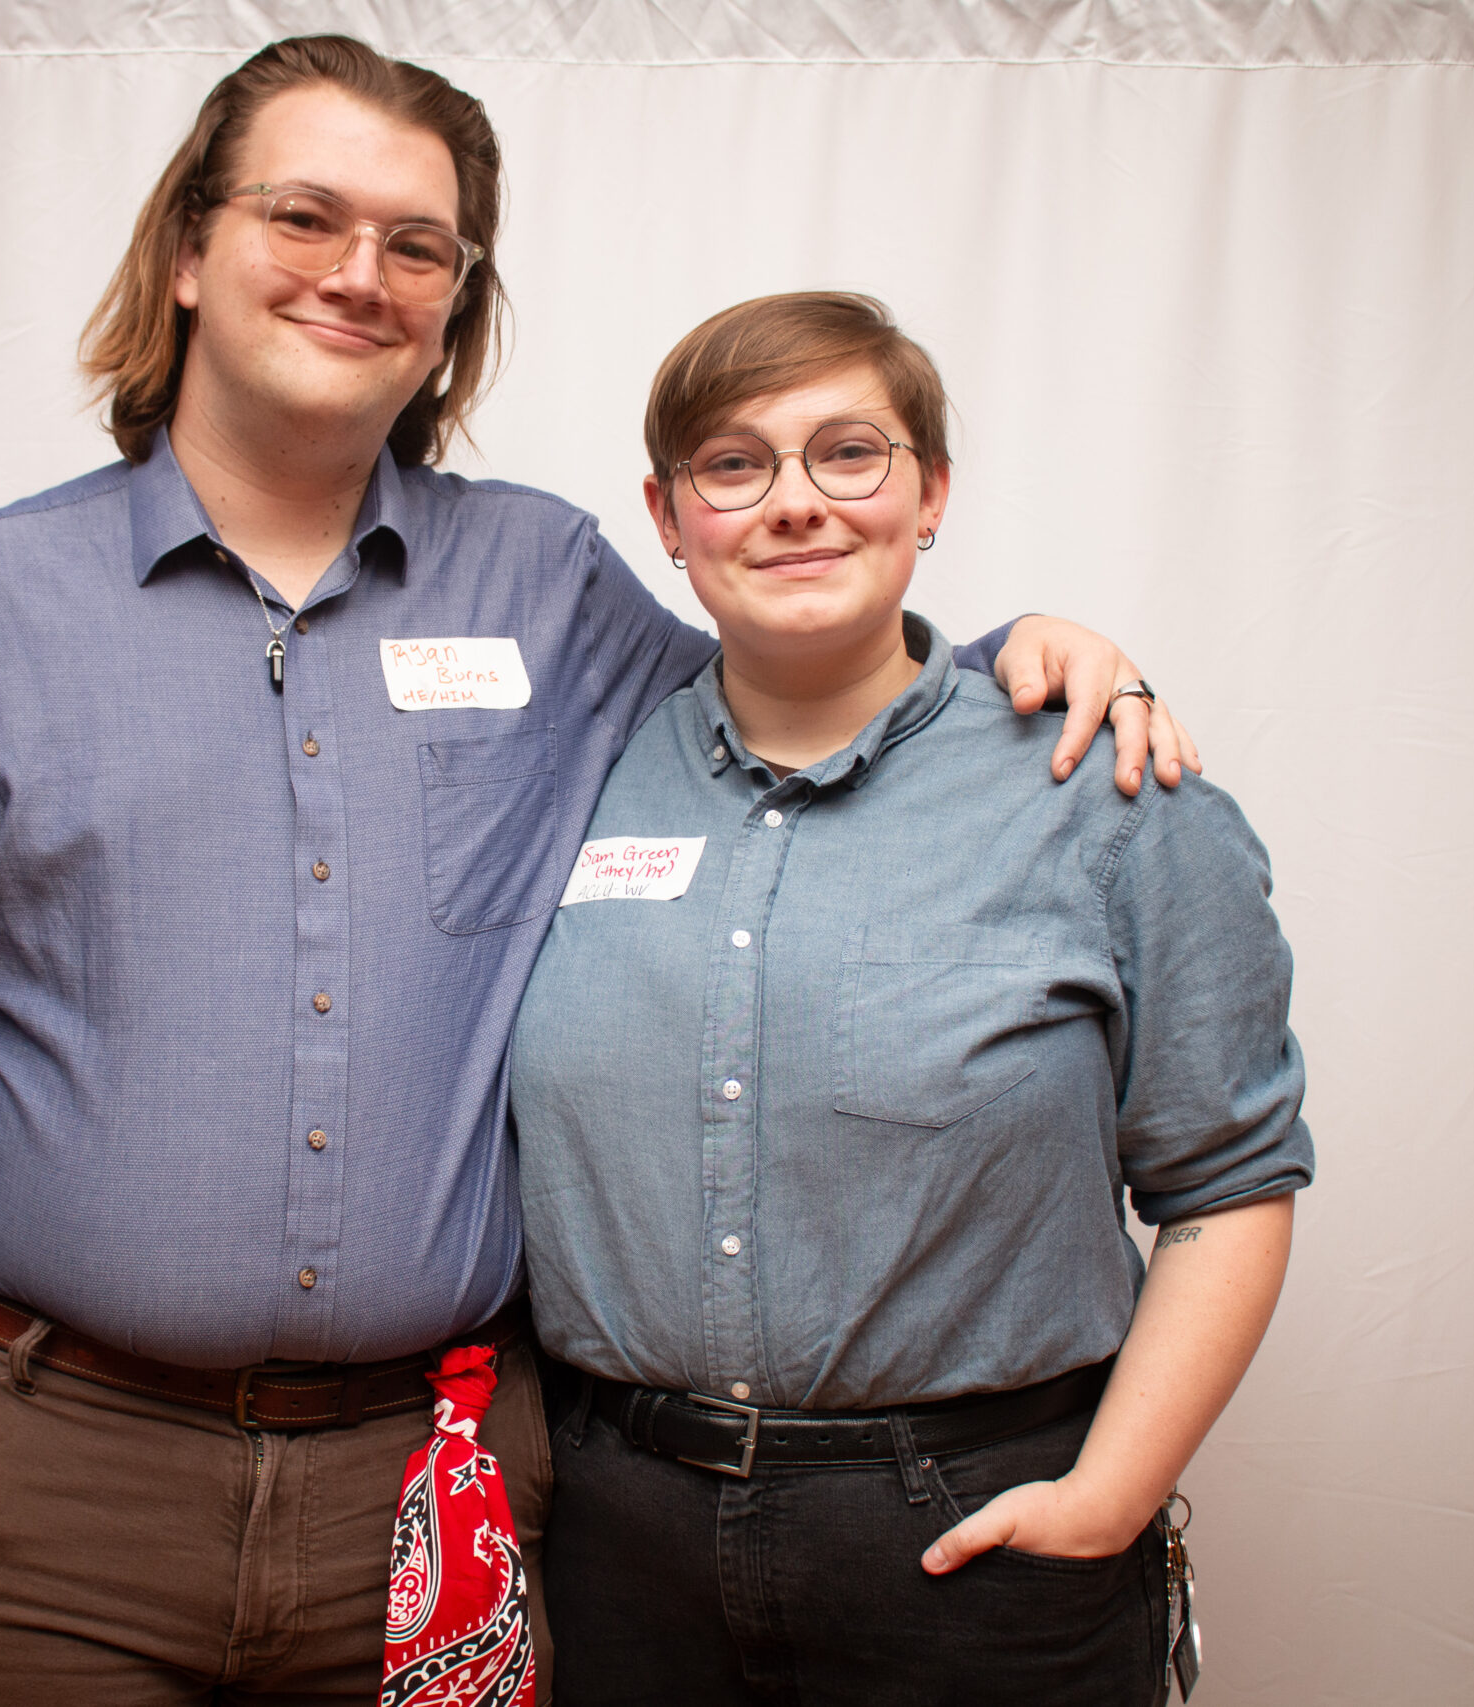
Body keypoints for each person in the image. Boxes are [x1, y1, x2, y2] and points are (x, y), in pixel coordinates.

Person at [0, 38, 1191, 1706]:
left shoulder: (545, 584)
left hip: (437, 1488)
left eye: (418, 245)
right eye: (307, 217)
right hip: (45, 1486)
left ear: (454, 304)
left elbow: (797, 680)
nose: (361, 274)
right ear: (188, 250)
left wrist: (1016, 654)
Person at [510, 291, 1312, 1705]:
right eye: (735, 465)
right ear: (669, 514)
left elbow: (1229, 1184)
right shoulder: (567, 772)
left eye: (849, 454)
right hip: (612, 1539)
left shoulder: (1108, 797)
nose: (794, 504)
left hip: (972, 1540)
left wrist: (1110, 1500)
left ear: (931, 490)